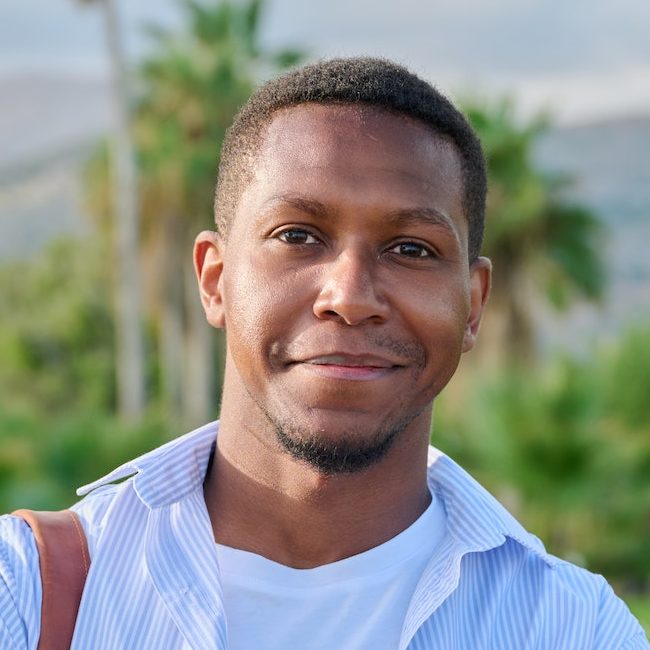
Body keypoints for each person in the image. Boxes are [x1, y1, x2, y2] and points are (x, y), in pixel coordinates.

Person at [1, 57, 647, 649]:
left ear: (473, 303)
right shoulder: (30, 592)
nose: (349, 295)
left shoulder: (569, 627)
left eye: (412, 248)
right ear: (214, 279)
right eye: (298, 235)